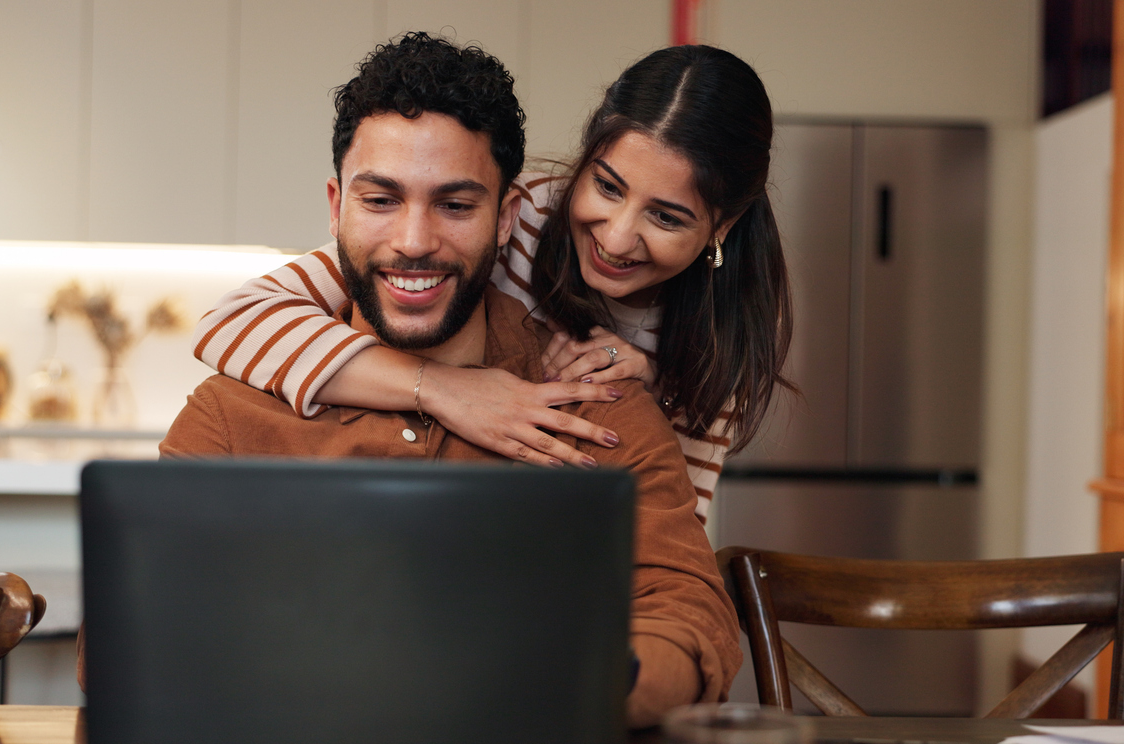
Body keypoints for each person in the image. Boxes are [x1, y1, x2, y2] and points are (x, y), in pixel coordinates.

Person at [161, 33, 740, 727]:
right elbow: (134, 640)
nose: (413, 240)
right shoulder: (230, 413)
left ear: (507, 218)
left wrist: (583, 679)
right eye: (379, 200)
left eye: (456, 206)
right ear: (335, 204)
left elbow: (687, 619)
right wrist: (436, 385)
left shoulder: (598, 407)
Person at [194, 43, 793, 521]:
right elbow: (233, 321)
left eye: (666, 217)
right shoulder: (518, 214)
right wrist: (446, 388)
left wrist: (655, 383)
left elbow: (673, 528)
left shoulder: (723, 335)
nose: (614, 237)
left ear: (725, 223)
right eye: (606, 187)